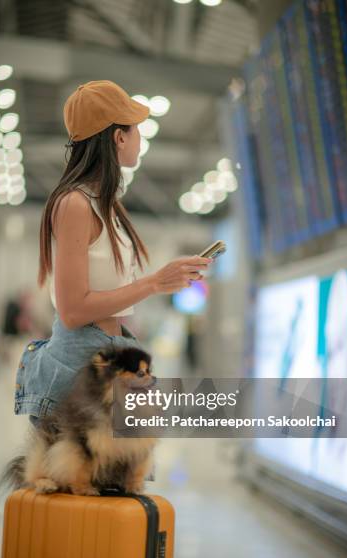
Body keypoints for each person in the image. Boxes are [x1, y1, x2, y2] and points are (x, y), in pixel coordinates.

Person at [13, 80, 213, 428]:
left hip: (109, 355)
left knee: (116, 479)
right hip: (80, 364)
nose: (139, 137)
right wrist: (153, 283)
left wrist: (165, 281)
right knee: (84, 481)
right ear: (118, 137)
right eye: (135, 129)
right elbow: (73, 310)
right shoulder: (75, 203)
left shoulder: (105, 206)